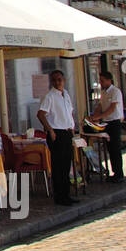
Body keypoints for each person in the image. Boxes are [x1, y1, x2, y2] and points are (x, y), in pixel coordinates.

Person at [36, 69, 77, 205]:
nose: (57, 82)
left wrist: (72, 127)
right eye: (54, 80)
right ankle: (59, 197)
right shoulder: (50, 96)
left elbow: (69, 113)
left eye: (59, 79)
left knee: (66, 165)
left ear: (63, 80)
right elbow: (41, 114)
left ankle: (66, 194)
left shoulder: (66, 95)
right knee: (58, 167)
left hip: (66, 132)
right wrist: (50, 130)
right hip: (56, 134)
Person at [93, 70, 125, 182]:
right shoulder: (104, 92)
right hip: (106, 123)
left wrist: (99, 117)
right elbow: (100, 106)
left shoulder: (115, 91)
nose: (101, 83)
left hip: (114, 122)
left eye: (102, 80)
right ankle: (114, 172)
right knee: (110, 148)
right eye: (100, 80)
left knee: (115, 148)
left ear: (109, 80)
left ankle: (119, 173)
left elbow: (112, 108)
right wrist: (94, 115)